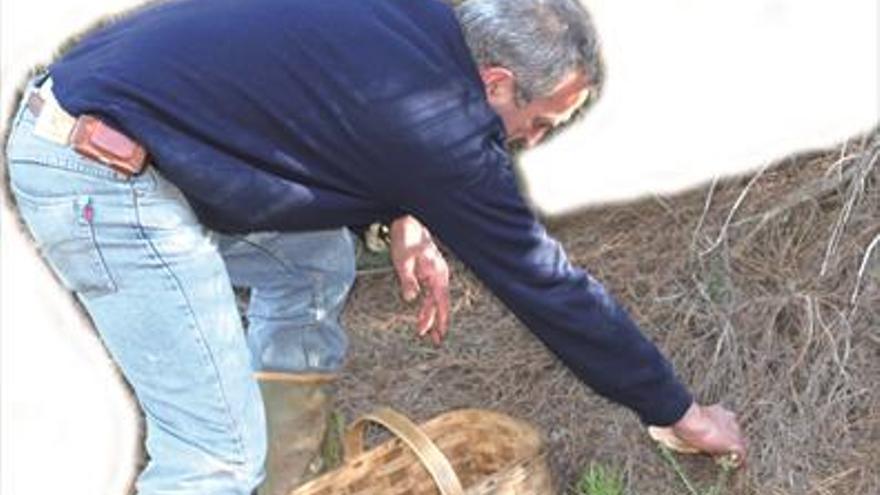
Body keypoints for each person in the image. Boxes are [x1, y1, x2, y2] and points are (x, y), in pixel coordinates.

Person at [4, 0, 747, 493]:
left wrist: (408, 212)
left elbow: (334, 103)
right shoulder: (446, 132)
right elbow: (547, 285)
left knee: (317, 263)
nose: (534, 141)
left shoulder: (416, 24)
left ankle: (285, 478)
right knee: (213, 454)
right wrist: (678, 411)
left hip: (109, 131)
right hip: (103, 182)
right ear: (495, 80)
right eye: (543, 120)